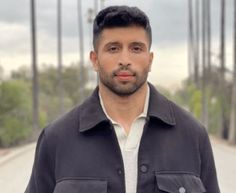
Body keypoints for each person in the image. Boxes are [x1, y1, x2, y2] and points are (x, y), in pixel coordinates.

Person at [25, 5, 220, 193]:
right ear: (94, 60)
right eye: (113, 48)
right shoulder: (56, 139)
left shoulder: (193, 136)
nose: (125, 60)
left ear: (150, 60)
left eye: (136, 48)